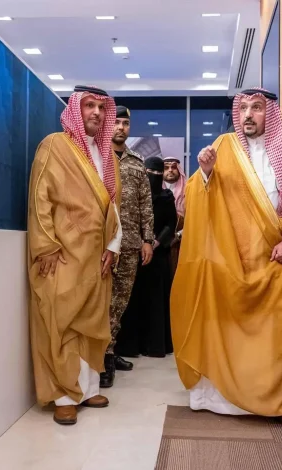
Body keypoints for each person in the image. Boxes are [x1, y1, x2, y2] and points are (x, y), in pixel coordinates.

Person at [170, 87, 282, 435]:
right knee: (229, 329)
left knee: (281, 334)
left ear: (271, 113)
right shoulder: (224, 147)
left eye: (257, 108)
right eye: (243, 108)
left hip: (280, 256)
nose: (248, 114)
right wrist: (206, 173)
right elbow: (193, 200)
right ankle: (226, 398)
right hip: (232, 261)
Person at [27, 85, 123, 426]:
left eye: (101, 107)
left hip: (97, 256)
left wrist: (113, 246)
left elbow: (114, 207)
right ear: (75, 111)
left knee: (92, 323)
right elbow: (39, 197)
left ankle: (88, 388)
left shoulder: (108, 156)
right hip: (63, 254)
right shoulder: (54, 145)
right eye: (89, 105)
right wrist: (46, 245)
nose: (96, 112)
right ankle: (64, 396)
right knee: (62, 322)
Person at [100, 105, 155, 388]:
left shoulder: (137, 161)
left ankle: (109, 352)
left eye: (125, 123)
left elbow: (146, 203)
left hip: (131, 242)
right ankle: (102, 356)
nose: (120, 128)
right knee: (101, 301)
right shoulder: (97, 157)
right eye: (116, 122)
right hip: (103, 243)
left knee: (120, 302)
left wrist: (148, 239)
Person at [115, 157, 177, 358]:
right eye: (151, 173)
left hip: (158, 257)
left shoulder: (167, 197)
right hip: (134, 253)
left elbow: (171, 224)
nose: (155, 177)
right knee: (132, 300)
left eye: (159, 174)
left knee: (156, 302)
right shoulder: (135, 195)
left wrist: (154, 242)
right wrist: (141, 242)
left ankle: (155, 345)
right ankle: (130, 346)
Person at [163, 157, 186, 278]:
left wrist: (178, 235)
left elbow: (194, 219)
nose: (170, 170)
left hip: (183, 243)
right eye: (166, 168)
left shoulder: (189, 190)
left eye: (174, 167)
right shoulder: (153, 191)